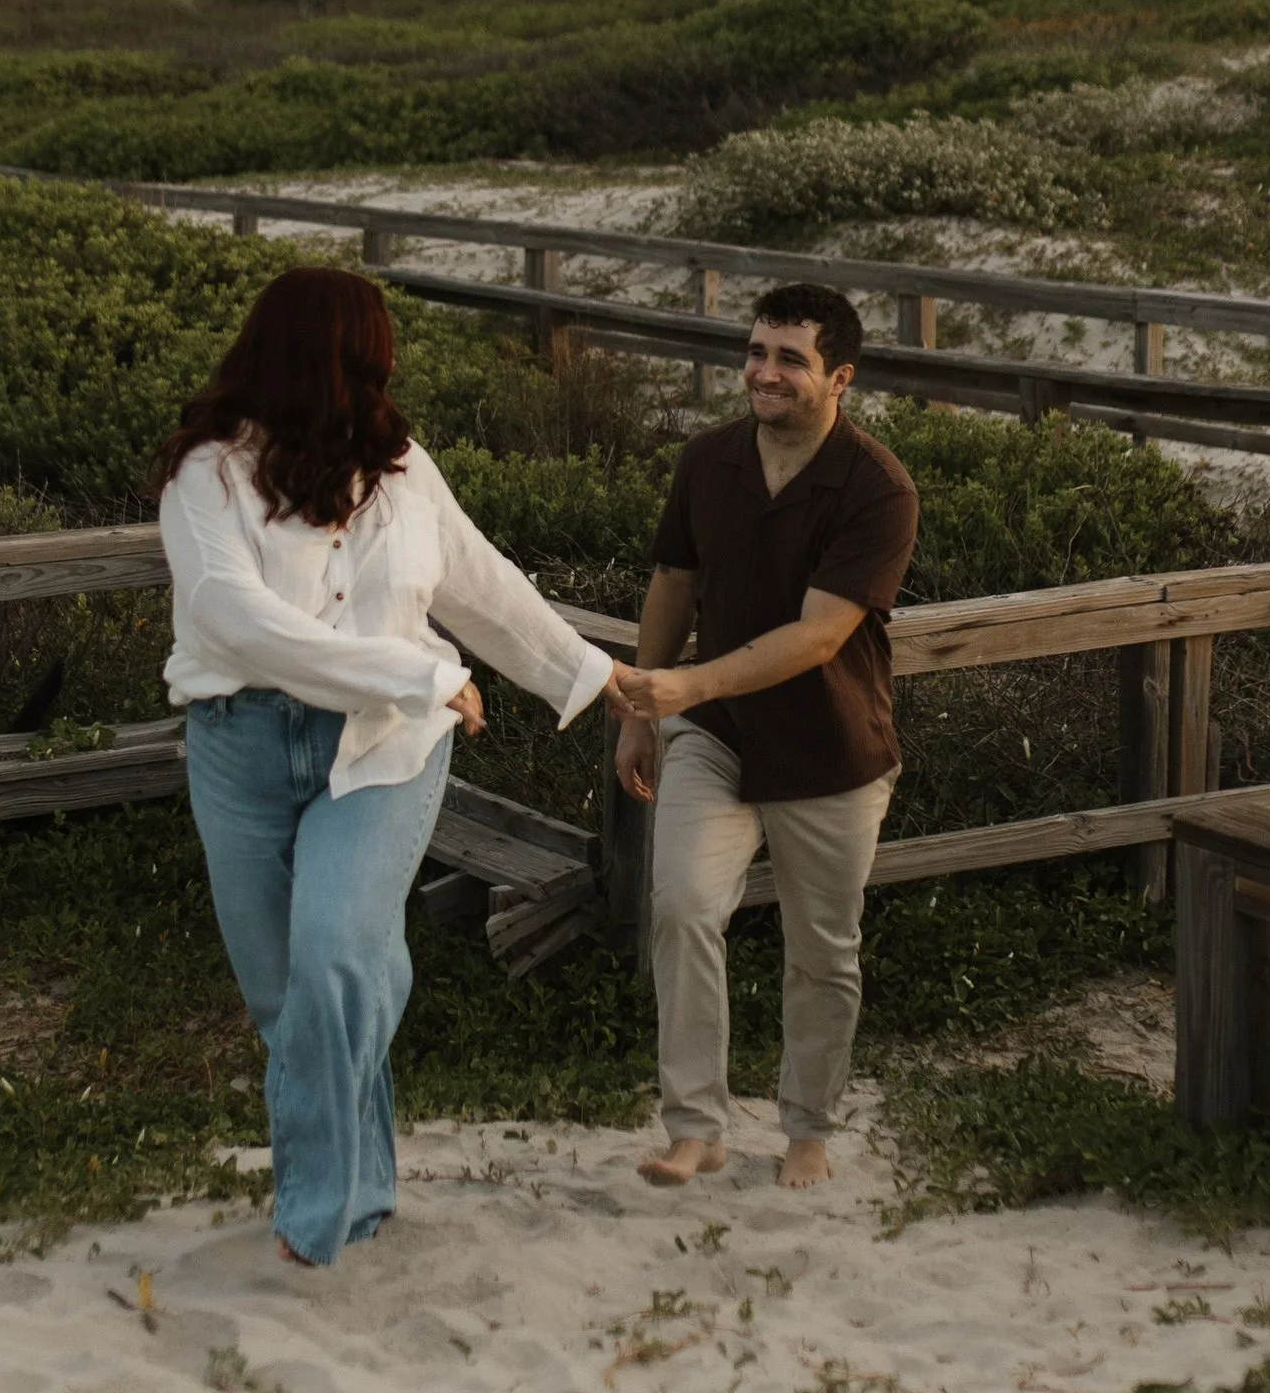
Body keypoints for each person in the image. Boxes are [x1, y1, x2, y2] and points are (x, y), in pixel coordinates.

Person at [159, 263, 623, 1268]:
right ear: (334, 354)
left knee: (331, 953)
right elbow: (235, 621)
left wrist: (587, 671)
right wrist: (413, 668)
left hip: (382, 746)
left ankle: (316, 1215)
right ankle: (358, 1167)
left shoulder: (401, 467)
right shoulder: (208, 473)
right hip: (240, 743)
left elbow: (480, 582)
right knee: (290, 993)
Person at [612, 281, 920, 1192]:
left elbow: (818, 636)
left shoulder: (877, 487)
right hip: (715, 736)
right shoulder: (707, 460)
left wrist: (684, 683)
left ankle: (809, 1130)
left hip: (831, 751)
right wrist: (643, 709)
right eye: (756, 351)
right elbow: (673, 579)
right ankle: (696, 1125)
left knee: (822, 948)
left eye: (791, 358)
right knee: (680, 907)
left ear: (841, 378)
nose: (765, 372)